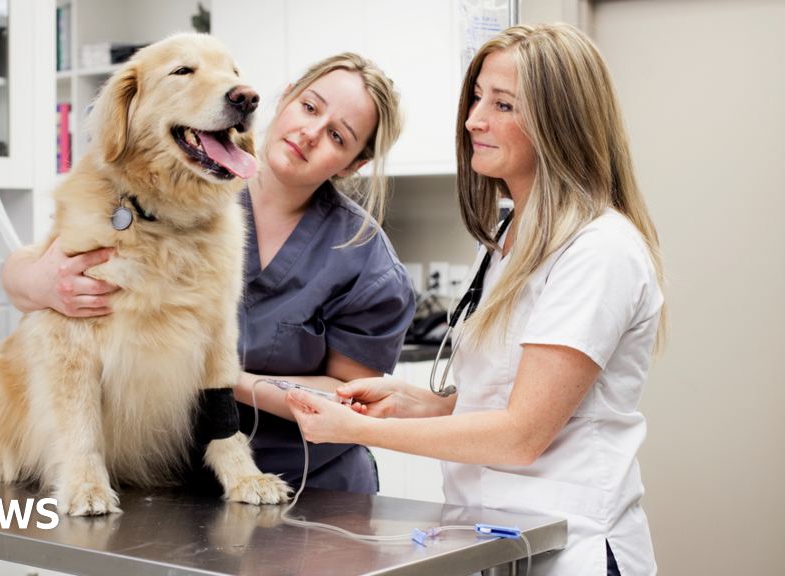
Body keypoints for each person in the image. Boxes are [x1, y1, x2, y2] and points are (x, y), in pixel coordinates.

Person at [284, 23, 668, 575]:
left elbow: (521, 435)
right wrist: (410, 401)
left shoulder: (598, 249)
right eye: (477, 97)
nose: (473, 119)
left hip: (572, 545)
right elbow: (499, 402)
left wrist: (358, 431)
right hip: (500, 540)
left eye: (503, 104)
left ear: (560, 123)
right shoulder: (511, 237)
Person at [1, 53, 416, 495]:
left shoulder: (366, 263)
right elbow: (36, 263)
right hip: (169, 481)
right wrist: (36, 283)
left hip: (309, 487)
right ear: (285, 97)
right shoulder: (177, 180)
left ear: (352, 165)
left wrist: (211, 376)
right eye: (309, 107)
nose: (310, 134)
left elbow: (351, 400)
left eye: (337, 135)